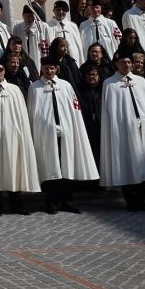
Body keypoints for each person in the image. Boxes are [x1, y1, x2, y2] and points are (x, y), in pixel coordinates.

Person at [99, 54, 145, 211]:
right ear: (116, 64)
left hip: (143, 128)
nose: (126, 65)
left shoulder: (141, 81)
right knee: (127, 163)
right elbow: (109, 111)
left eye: (128, 62)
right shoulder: (110, 83)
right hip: (123, 130)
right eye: (123, 62)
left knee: (144, 163)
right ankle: (130, 201)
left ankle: (141, 200)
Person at [26, 56, 98, 214]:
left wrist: (73, 127)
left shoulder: (65, 85)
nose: (49, 71)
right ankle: (52, 201)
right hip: (45, 134)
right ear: (42, 69)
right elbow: (32, 112)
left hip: (66, 131)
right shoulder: (35, 88)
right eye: (46, 68)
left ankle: (67, 200)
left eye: (52, 68)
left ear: (56, 69)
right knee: (50, 166)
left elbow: (74, 109)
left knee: (66, 165)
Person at [0, 58, 39, 216]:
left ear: (5, 71)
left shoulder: (14, 90)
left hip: (12, 136)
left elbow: (22, 115)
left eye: (1, 69)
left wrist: (22, 133)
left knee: (13, 167)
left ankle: (16, 204)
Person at [76, 63, 104, 167]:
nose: (92, 77)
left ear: (99, 76)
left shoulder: (104, 90)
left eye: (94, 74)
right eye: (89, 74)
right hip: (87, 127)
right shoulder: (80, 91)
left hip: (101, 127)